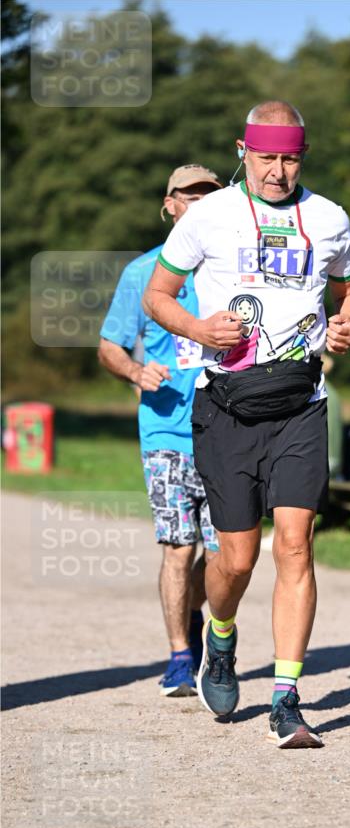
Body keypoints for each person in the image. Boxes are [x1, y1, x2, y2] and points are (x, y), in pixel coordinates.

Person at [142, 101, 350, 748]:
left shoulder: (327, 219)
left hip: (300, 403)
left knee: (294, 545)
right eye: (266, 157)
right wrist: (197, 326)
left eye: (290, 158)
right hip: (227, 406)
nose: (277, 171)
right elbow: (156, 296)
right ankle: (219, 635)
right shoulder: (208, 217)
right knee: (234, 560)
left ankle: (286, 699)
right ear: (243, 150)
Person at [98, 164, 223, 694]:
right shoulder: (142, 273)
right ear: (168, 205)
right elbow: (109, 346)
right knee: (179, 546)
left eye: (207, 196)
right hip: (166, 431)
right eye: (187, 196)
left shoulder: (232, 270)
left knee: (225, 555)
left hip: (228, 429)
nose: (197, 204)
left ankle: (199, 622)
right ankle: (178, 656)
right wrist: (134, 370)